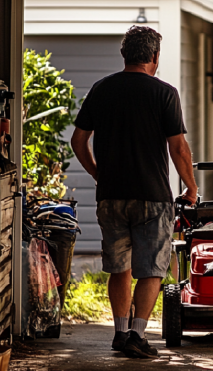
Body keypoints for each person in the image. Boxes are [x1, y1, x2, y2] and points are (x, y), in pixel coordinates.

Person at [71, 25, 198, 358]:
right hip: (152, 196)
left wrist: (99, 173)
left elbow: (78, 141)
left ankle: (119, 332)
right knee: (152, 269)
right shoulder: (164, 93)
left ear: (124, 55)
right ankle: (137, 335)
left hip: (111, 196)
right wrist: (191, 188)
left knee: (119, 266)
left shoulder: (102, 89)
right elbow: (179, 148)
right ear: (154, 57)